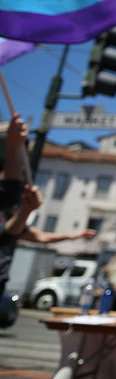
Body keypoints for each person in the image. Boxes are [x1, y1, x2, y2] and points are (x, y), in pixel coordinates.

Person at [0, 114, 96, 296]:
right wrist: (13, 146)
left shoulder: (8, 212)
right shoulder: (9, 203)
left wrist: (75, 235)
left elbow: (39, 237)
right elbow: (6, 231)